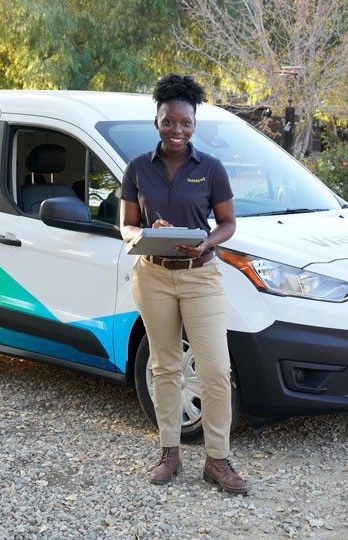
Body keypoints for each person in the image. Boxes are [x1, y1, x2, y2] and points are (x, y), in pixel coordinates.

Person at [119, 73, 247, 495]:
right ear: (157, 119)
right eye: (169, 121)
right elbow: (125, 225)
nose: (177, 130)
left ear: (195, 123)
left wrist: (206, 241)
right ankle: (169, 452)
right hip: (153, 276)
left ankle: (217, 459)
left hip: (200, 276)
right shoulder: (138, 168)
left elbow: (227, 223)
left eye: (185, 123)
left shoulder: (211, 168)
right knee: (165, 366)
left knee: (215, 369)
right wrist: (142, 234)